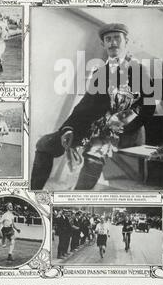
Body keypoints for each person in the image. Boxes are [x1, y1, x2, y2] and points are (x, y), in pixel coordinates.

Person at [31, 23, 156, 191]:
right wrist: (67, 129)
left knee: (93, 155)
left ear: (126, 41)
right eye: (108, 39)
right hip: (95, 127)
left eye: (116, 38)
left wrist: (124, 127)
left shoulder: (140, 70)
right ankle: (34, 193)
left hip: (126, 131)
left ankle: (76, 199)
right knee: (45, 145)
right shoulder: (101, 72)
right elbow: (86, 106)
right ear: (102, 44)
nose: (112, 43)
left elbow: (148, 108)